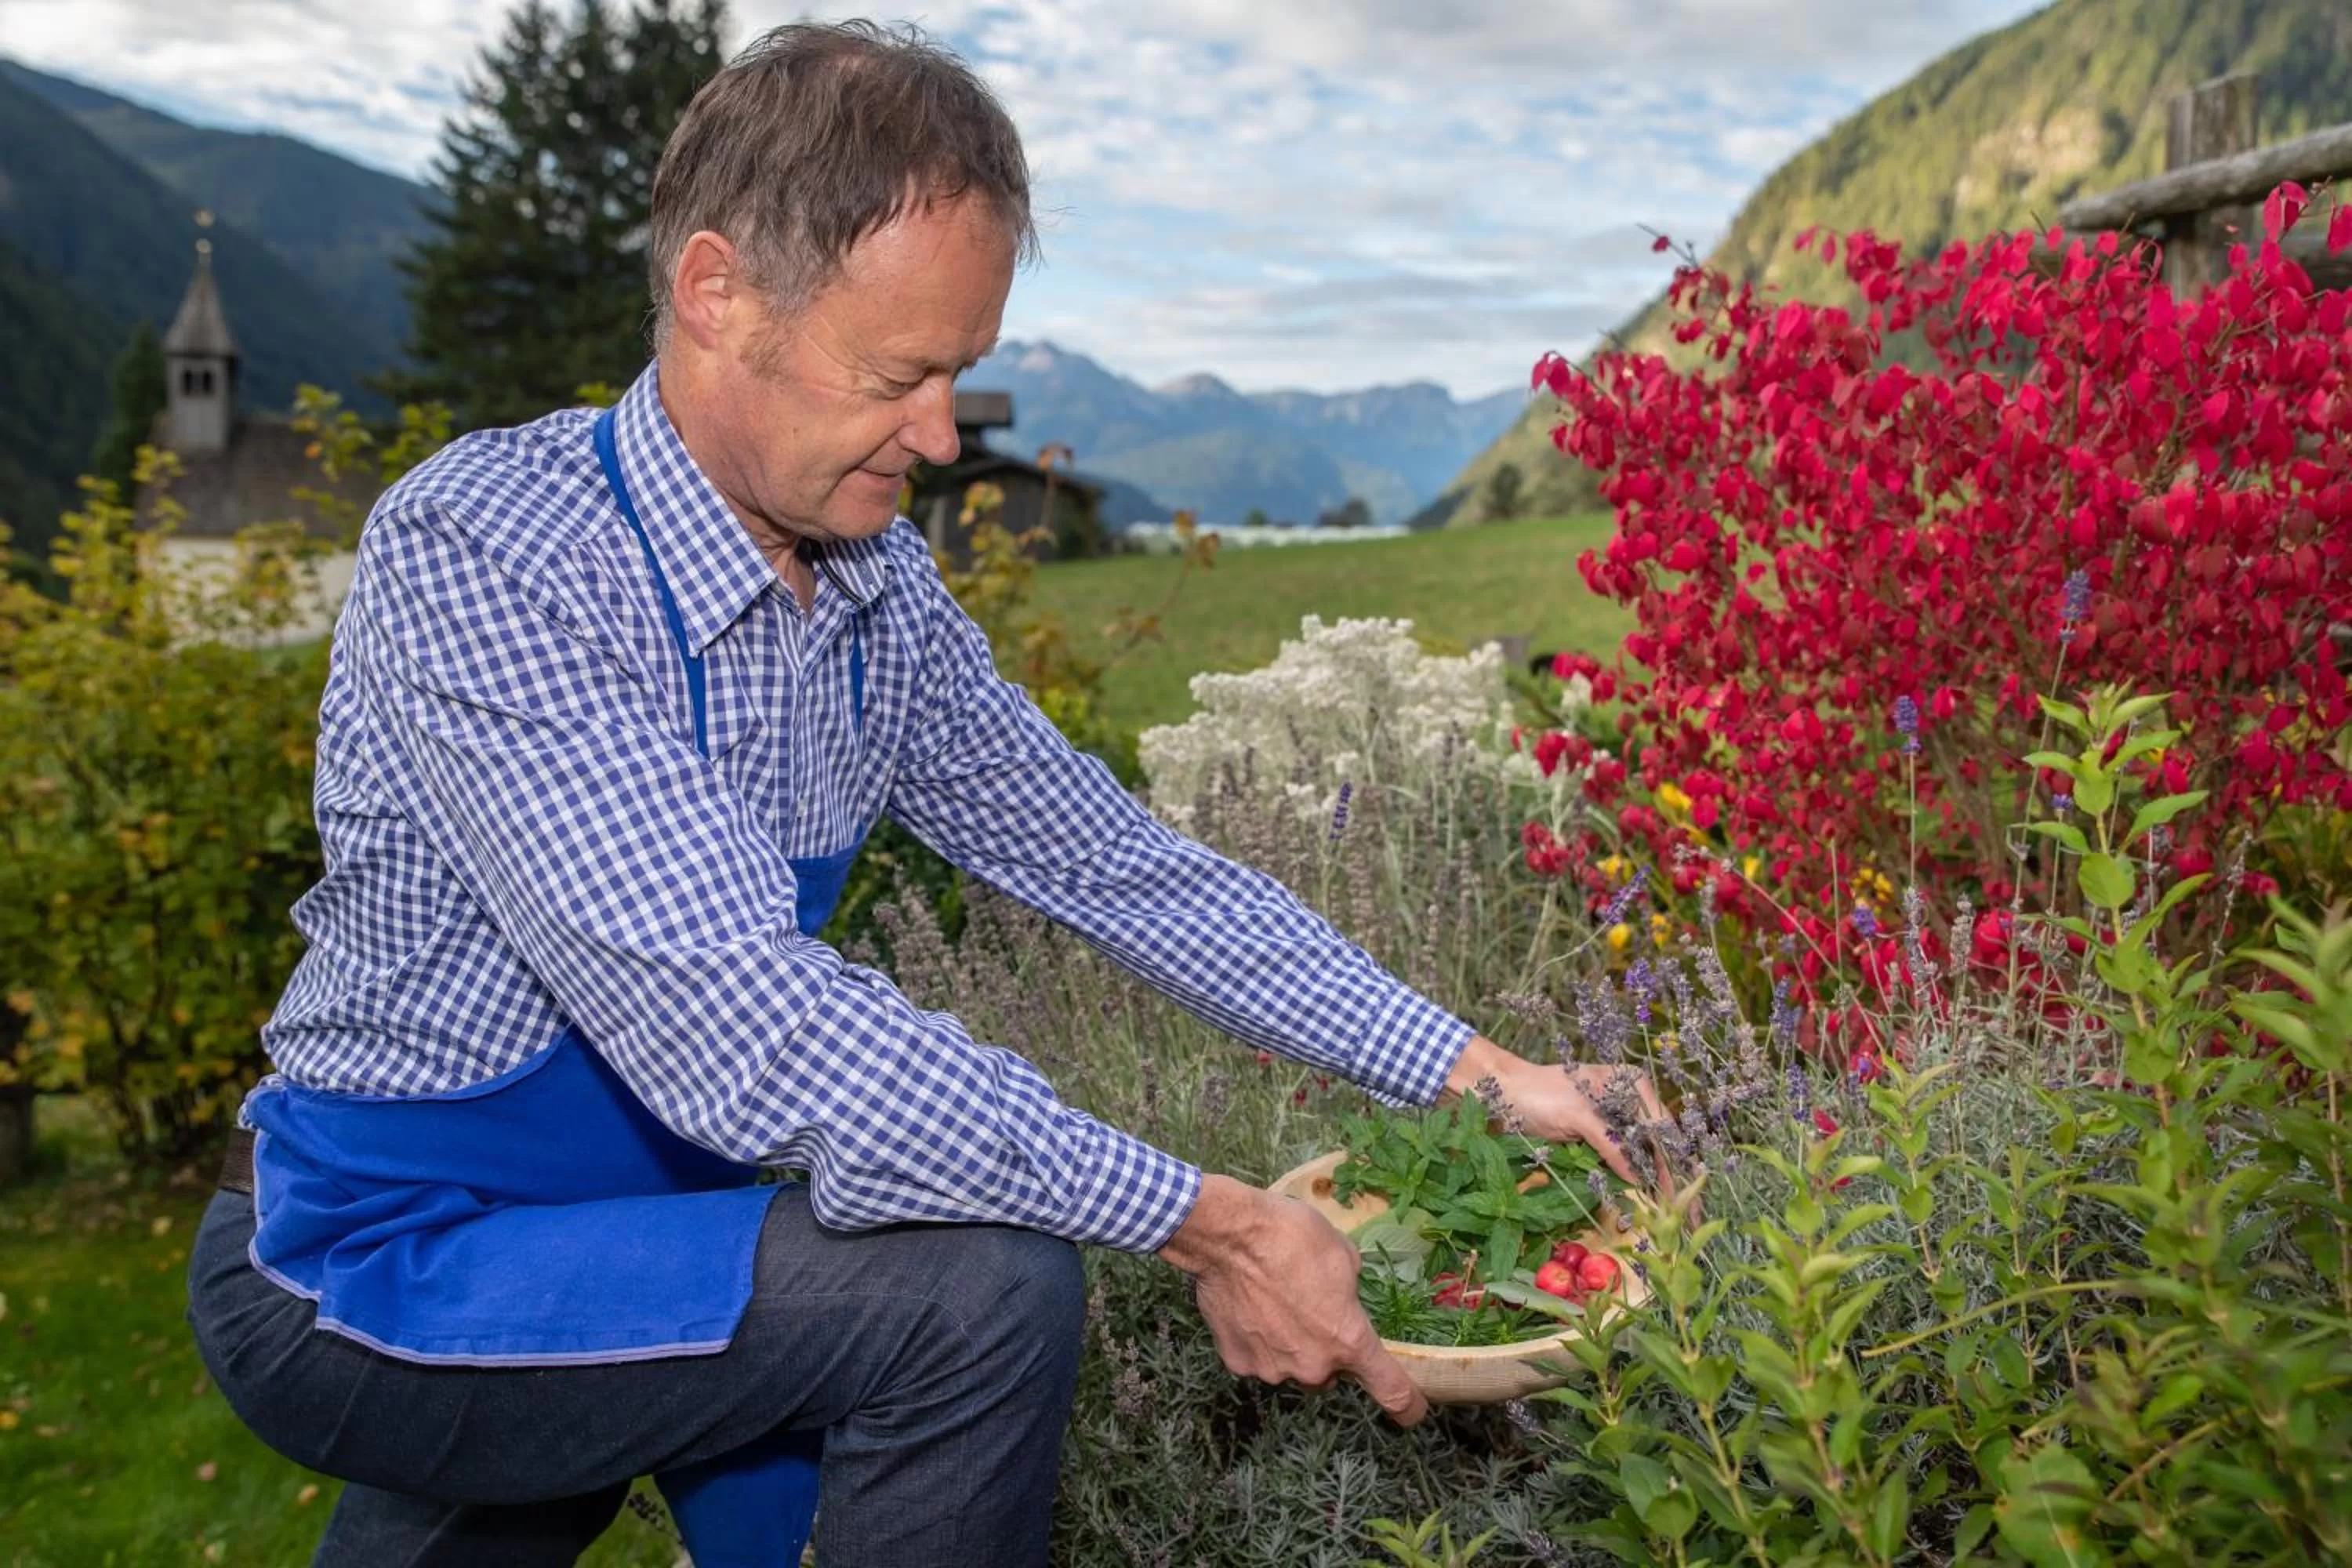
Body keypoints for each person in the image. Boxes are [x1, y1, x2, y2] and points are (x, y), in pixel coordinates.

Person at [185, 20, 1660, 1567]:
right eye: (898, 374)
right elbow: (746, 1024)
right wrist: (1211, 1218)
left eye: (959, 374)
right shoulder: (495, 554)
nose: (944, 437)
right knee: (974, 1295)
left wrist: (1482, 1069)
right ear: (715, 293)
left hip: (659, 1239)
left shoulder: (876, 590)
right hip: (386, 1257)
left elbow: (1120, 869)